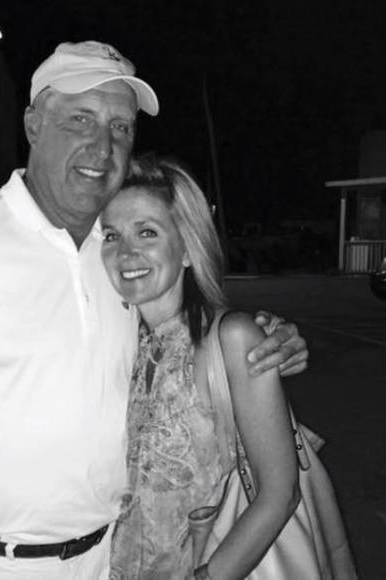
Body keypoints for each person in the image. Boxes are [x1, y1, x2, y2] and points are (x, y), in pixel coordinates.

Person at [0, 41, 308, 580]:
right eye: (80, 119)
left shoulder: (114, 254)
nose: (103, 145)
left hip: (110, 561)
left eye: (121, 127)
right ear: (33, 124)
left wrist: (266, 340)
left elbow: (188, 340)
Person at [100, 155, 354, 579]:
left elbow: (279, 494)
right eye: (111, 235)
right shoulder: (115, 344)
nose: (126, 252)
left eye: (147, 232)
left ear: (187, 247)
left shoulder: (232, 339)